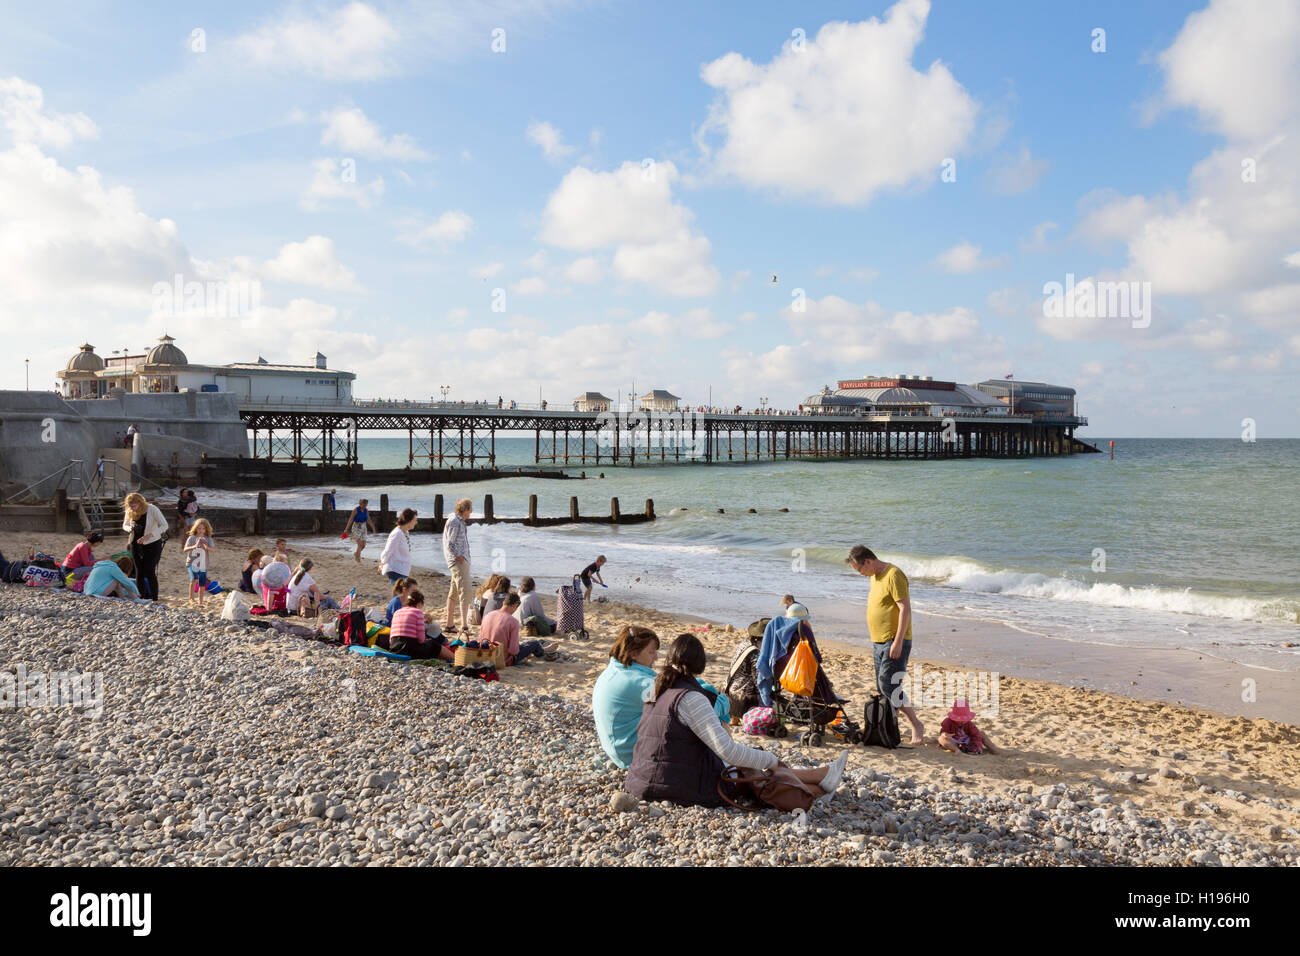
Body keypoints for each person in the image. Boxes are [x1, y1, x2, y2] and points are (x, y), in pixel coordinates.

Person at [624, 634, 848, 809]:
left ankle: (823, 778)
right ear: (699, 664)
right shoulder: (690, 698)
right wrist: (770, 759)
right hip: (678, 785)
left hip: (642, 778)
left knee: (750, 769)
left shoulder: (657, 689)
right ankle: (818, 788)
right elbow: (728, 751)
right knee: (755, 776)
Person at [847, 544, 925, 745]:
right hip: (878, 641)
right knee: (883, 689)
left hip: (894, 640)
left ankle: (916, 724)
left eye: (860, 569)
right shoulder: (874, 576)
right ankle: (889, 726)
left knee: (888, 685)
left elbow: (905, 609)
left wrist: (898, 641)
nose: (861, 574)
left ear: (868, 561)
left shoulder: (894, 574)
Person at [592, 626, 661, 768]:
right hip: (631, 754)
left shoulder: (616, 670)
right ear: (633, 654)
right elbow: (677, 698)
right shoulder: (636, 683)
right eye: (651, 652)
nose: (656, 657)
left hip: (618, 747)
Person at [481, 593, 556, 666]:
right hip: (503, 659)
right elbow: (513, 651)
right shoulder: (513, 621)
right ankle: (543, 650)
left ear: (504, 602)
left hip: (486, 654)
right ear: (515, 605)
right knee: (533, 643)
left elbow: (480, 639)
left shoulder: (488, 615)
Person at [122, 493, 167, 601]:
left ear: (140, 503)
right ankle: (141, 596)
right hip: (135, 543)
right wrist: (130, 528)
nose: (131, 508)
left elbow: (164, 525)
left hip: (152, 542)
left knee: (149, 570)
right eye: (129, 506)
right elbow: (124, 525)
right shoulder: (129, 510)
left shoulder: (152, 509)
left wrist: (149, 535)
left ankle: (154, 598)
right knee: (139, 571)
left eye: (133, 506)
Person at [388, 590, 454, 660]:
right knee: (435, 646)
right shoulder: (418, 612)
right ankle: (455, 659)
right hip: (409, 650)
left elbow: (391, 639)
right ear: (419, 603)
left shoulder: (397, 612)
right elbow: (421, 639)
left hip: (394, 649)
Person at [442, 497, 472, 632]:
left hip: (459, 560)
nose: (471, 512)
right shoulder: (455, 521)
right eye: (470, 509)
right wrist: (458, 556)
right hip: (458, 561)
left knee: (454, 592)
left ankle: (449, 624)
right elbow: (450, 543)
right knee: (464, 592)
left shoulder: (458, 520)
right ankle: (464, 625)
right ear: (464, 509)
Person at [379, 508, 417, 584]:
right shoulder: (397, 533)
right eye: (415, 520)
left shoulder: (405, 532)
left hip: (403, 569)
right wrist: (382, 563)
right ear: (408, 520)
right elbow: (388, 550)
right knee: (400, 594)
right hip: (395, 569)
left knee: (401, 594)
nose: (416, 522)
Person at [183, 519, 216, 607]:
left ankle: (200, 602)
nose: (201, 530)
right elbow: (185, 549)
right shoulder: (192, 538)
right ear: (195, 528)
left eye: (203, 529)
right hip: (191, 562)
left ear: (206, 529)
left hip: (203, 564)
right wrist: (194, 546)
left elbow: (213, 550)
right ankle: (191, 598)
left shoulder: (208, 538)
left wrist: (206, 547)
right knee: (194, 579)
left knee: (202, 583)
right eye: (199, 528)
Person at [345, 499, 374, 564]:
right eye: (364, 504)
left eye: (366, 504)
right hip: (356, 527)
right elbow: (351, 519)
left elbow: (368, 519)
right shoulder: (356, 510)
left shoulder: (366, 510)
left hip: (364, 527)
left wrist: (373, 528)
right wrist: (346, 529)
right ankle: (358, 560)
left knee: (363, 545)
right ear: (360, 504)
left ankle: (356, 553)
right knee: (360, 544)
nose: (365, 505)